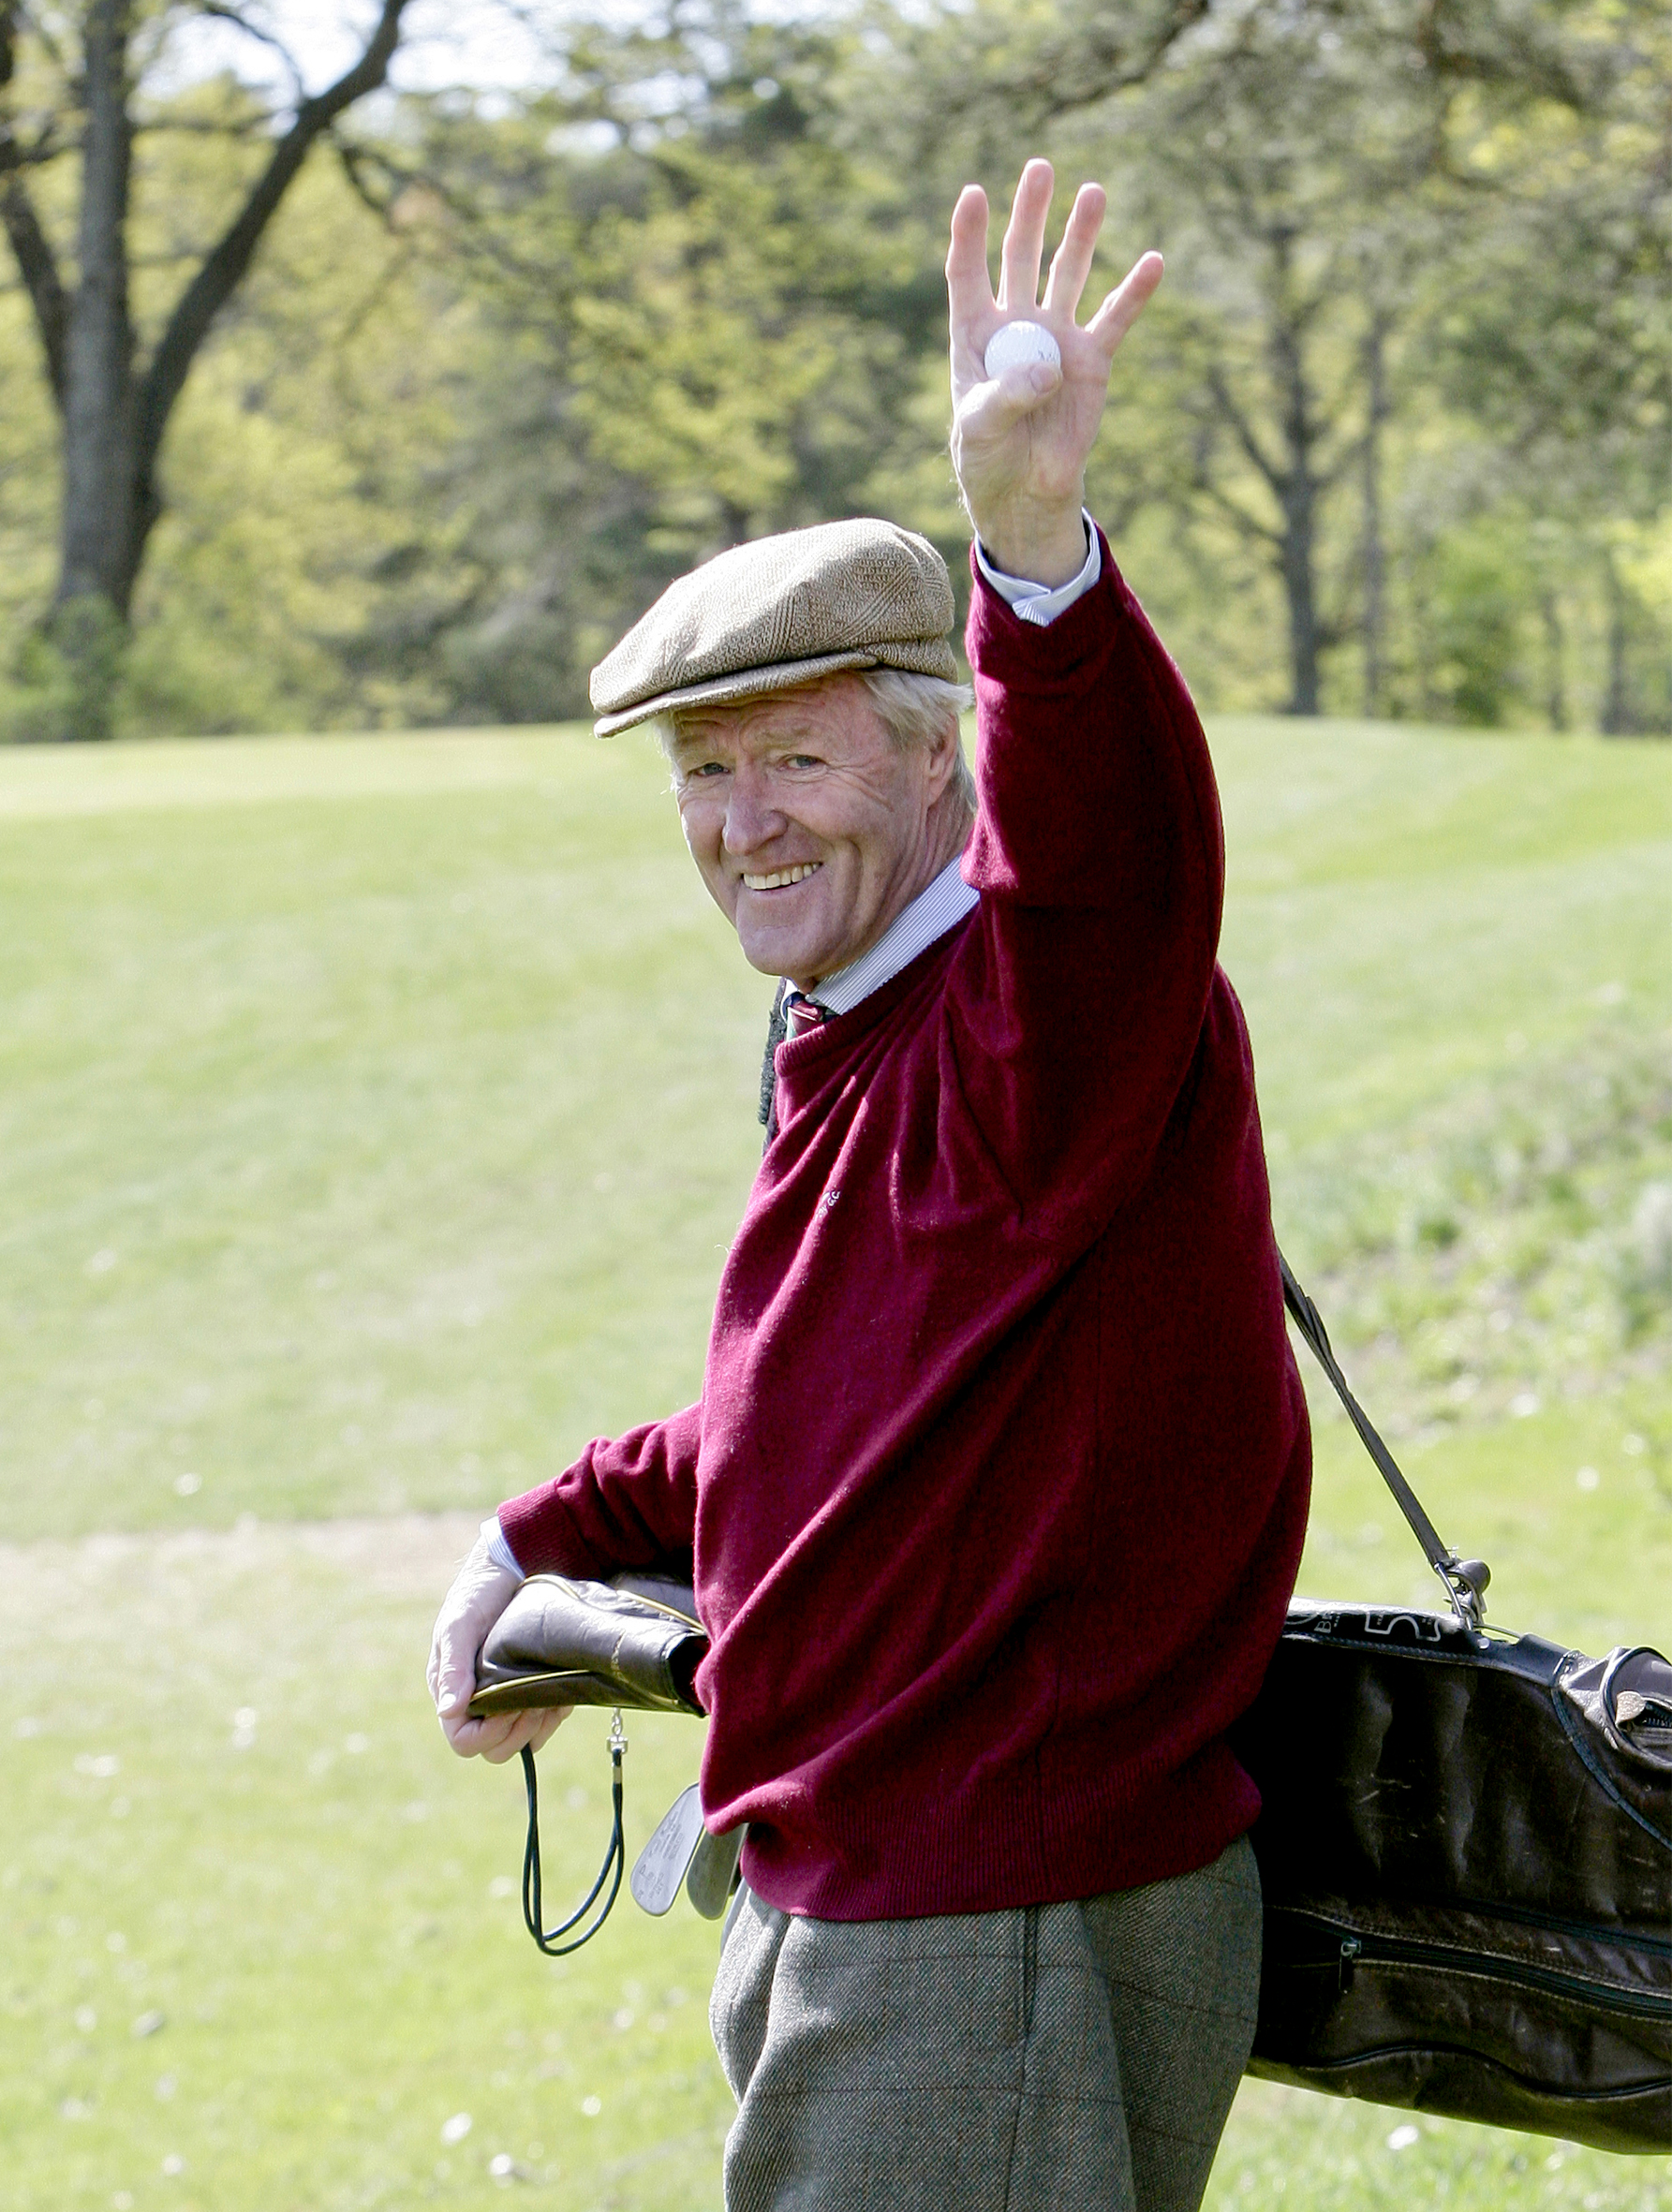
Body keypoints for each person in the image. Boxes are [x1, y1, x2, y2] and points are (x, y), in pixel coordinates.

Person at [427, 158, 1310, 2212]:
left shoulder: (1042, 1001)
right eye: (701, 774)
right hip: (885, 1901)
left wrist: (1027, 545)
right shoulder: (856, 1028)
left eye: (792, 759)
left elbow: (1110, 847)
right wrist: (537, 1526)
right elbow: (841, 1411)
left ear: (937, 759)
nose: (739, 823)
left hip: (981, 1922)